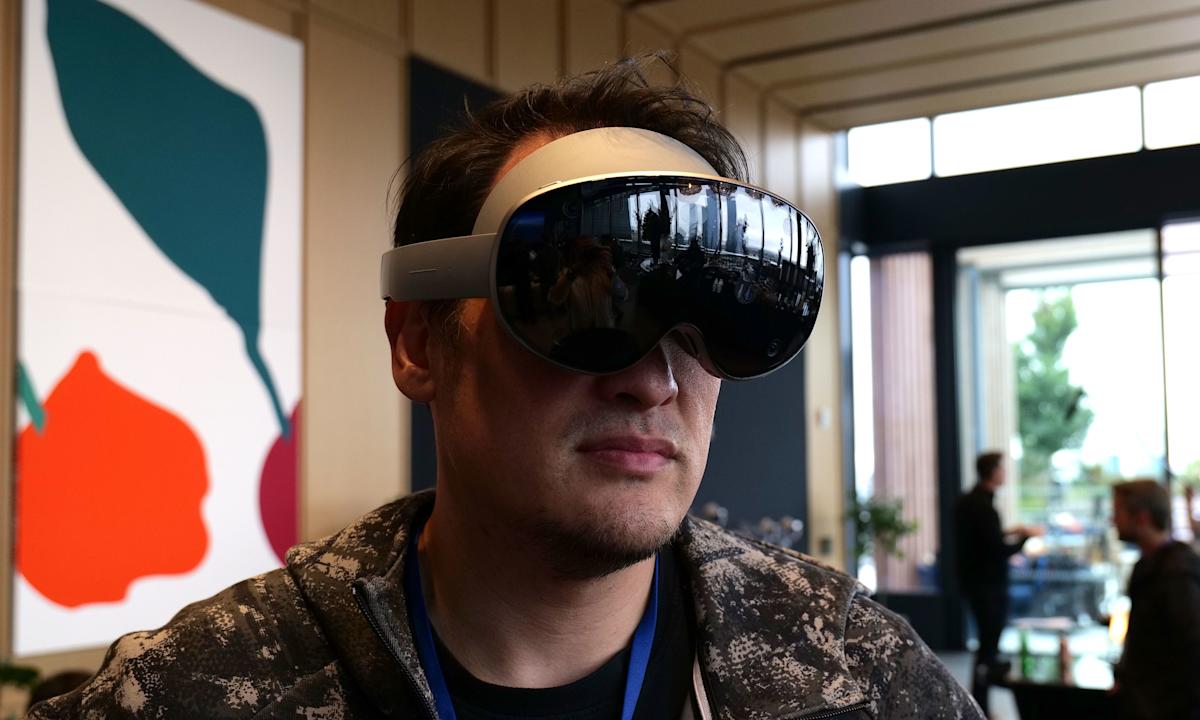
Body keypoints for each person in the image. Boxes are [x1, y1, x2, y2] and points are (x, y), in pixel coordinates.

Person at [30, 58, 981, 719]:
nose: (654, 380)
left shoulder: (855, 676)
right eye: (582, 304)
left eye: (704, 320)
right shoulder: (196, 693)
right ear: (419, 343)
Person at [955, 451, 1040, 715]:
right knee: (988, 649)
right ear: (992, 471)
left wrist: (1010, 531)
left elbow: (981, 539)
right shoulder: (983, 506)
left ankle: (979, 704)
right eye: (1002, 468)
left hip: (975, 584)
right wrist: (1025, 537)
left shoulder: (969, 501)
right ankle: (980, 706)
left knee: (986, 647)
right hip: (988, 587)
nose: (1005, 473)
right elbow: (996, 550)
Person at [1111, 479, 1200, 720]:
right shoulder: (1146, 566)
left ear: (1142, 517)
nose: (1113, 520)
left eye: (1118, 511)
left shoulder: (1177, 574)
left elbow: (1191, 647)